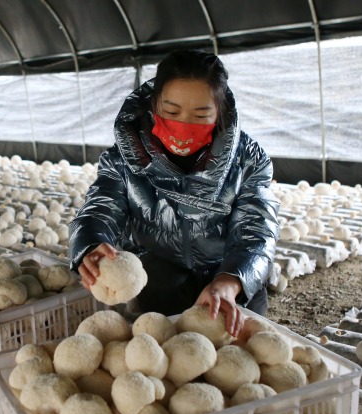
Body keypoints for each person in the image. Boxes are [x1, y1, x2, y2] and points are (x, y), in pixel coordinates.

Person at [69, 49, 280, 338]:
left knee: (237, 360)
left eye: (201, 114)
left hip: (230, 290)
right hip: (159, 288)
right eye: (171, 112)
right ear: (153, 104)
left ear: (220, 112)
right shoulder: (124, 159)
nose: (184, 124)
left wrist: (231, 281)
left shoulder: (248, 160)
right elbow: (100, 208)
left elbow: (257, 229)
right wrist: (91, 242)